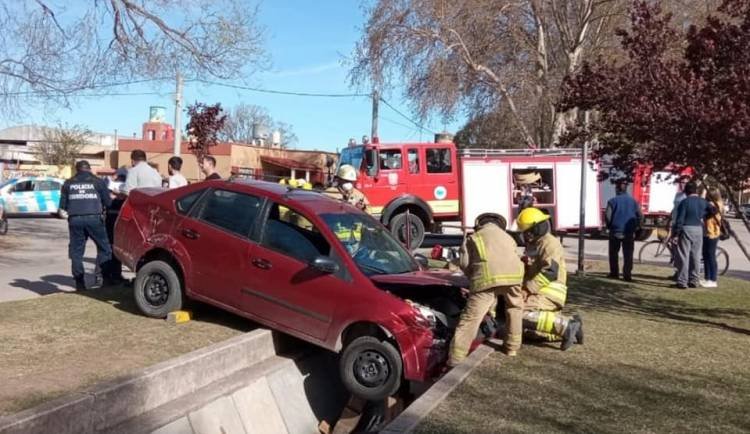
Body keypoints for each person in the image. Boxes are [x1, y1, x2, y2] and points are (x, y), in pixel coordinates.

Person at [448, 213, 525, 363]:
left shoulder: (474, 237)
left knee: (471, 318)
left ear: (479, 224)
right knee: (515, 309)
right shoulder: (508, 237)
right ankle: (512, 348)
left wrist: (472, 277)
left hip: (486, 279)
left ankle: (456, 358)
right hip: (514, 277)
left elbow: (464, 263)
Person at [516, 207, 582, 351]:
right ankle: (572, 324)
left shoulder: (549, 243)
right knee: (528, 331)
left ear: (537, 228)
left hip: (548, 291)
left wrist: (526, 290)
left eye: (528, 231)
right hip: (539, 291)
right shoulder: (536, 243)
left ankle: (566, 326)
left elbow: (550, 272)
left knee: (516, 313)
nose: (526, 235)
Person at [59, 160, 112, 291]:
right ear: (89, 169)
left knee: (76, 253)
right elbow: (108, 202)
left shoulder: (68, 183)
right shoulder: (98, 182)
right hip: (94, 219)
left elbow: (63, 206)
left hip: (75, 220)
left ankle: (79, 283)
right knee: (104, 249)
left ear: (77, 170)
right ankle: (101, 278)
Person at [672, 181, 715, 289]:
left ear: (686, 191)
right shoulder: (703, 201)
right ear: (696, 190)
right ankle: (694, 280)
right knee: (696, 255)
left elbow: (680, 219)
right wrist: (704, 216)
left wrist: (676, 233)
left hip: (686, 228)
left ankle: (682, 281)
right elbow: (714, 210)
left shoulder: (684, 202)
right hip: (698, 229)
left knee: (684, 255)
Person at [605, 180, 643, 281]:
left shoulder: (612, 201)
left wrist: (609, 226)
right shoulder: (634, 202)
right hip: (629, 231)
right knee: (628, 254)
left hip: (615, 230)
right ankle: (627, 274)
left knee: (613, 253)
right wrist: (638, 226)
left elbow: (608, 216)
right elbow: (640, 215)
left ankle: (614, 273)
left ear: (617, 189)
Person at [101, 167, 128, 286]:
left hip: (113, 218)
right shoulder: (109, 184)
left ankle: (111, 275)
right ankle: (111, 275)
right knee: (113, 247)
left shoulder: (111, 184)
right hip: (115, 218)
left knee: (111, 248)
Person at [701, 187, 724, 288]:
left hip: (713, 233)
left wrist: (702, 197)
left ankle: (713, 279)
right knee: (706, 255)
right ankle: (707, 278)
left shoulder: (715, 205)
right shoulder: (713, 204)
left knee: (711, 256)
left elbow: (704, 212)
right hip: (707, 232)